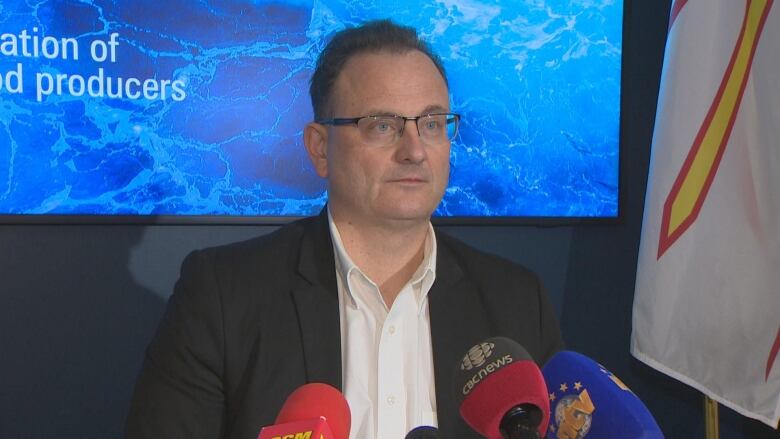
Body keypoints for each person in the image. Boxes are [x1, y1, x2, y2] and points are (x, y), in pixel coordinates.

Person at [125, 19, 563, 439]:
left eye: (431, 124)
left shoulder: (518, 304)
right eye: (383, 126)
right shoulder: (224, 299)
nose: (414, 150)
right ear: (320, 148)